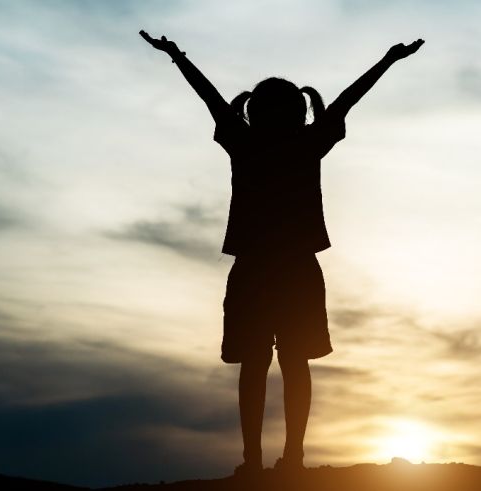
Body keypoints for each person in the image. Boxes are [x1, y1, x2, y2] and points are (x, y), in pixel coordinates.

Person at [140, 30, 424, 476]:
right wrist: (388, 60)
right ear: (298, 111)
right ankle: (289, 459)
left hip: (258, 271)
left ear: (255, 111)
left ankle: (259, 461)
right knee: (292, 364)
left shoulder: (246, 141)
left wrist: (177, 56)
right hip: (293, 272)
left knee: (259, 365)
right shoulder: (303, 143)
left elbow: (210, 97)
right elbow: (347, 101)